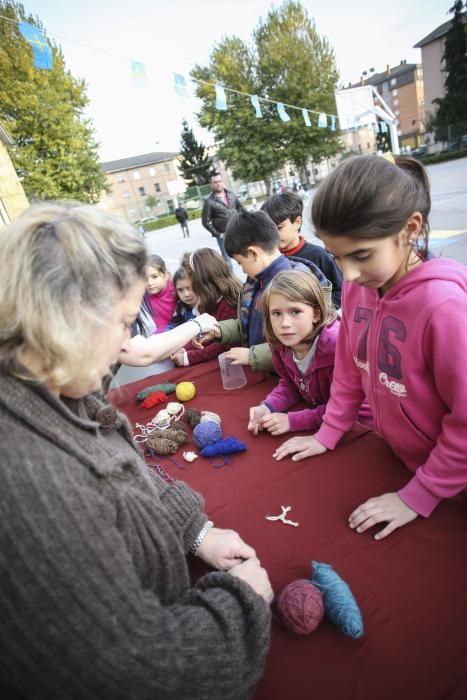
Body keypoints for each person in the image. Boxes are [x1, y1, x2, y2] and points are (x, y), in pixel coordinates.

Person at [0, 201, 273, 699]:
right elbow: (134, 673)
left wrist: (196, 531)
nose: (128, 341)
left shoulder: (51, 382)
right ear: (69, 321)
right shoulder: (30, 486)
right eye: (125, 322)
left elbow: (117, 466)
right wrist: (242, 604)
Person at [273, 154, 467, 541]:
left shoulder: (445, 307)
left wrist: (419, 495)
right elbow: (348, 372)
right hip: (401, 461)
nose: (349, 274)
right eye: (336, 257)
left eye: (361, 255)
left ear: (410, 229)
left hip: (452, 485)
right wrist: (327, 434)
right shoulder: (358, 289)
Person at [200, 210, 332, 373]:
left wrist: (252, 356)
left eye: (240, 263)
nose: (242, 269)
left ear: (252, 253)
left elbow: (304, 342)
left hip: (293, 379)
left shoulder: (293, 283)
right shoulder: (254, 282)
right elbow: (247, 324)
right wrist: (218, 330)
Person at [248, 270, 372, 436]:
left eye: (295, 312)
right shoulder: (280, 346)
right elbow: (291, 385)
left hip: (365, 431)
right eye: (276, 313)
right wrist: (269, 406)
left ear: (316, 314)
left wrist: (294, 421)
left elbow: (354, 407)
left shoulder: (338, 348)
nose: (285, 323)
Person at [261, 191, 343, 308]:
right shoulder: (267, 260)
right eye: (269, 230)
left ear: (297, 222)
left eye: (279, 228)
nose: (274, 235)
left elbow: (340, 291)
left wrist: (320, 310)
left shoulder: (318, 255)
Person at [171, 248, 242, 367]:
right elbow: (206, 337)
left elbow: (225, 346)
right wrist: (185, 348)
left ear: (202, 280)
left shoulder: (229, 304)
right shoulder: (208, 301)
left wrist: (188, 357)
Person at [201, 173, 242, 266]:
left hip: (237, 231)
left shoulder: (232, 195)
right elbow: (205, 222)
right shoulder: (209, 202)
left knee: (245, 254)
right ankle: (230, 280)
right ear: (211, 185)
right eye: (215, 182)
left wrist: (241, 223)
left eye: (220, 181)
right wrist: (218, 234)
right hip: (223, 235)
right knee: (227, 259)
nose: (218, 184)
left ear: (223, 182)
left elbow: (241, 208)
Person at [142, 254, 176, 333]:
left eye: (154, 277)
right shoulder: (143, 297)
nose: (149, 283)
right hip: (160, 334)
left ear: (165, 275)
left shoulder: (177, 290)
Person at [167, 264, 198, 328]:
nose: (186, 294)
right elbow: (174, 324)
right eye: (180, 290)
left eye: (189, 288)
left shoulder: (205, 307)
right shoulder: (181, 307)